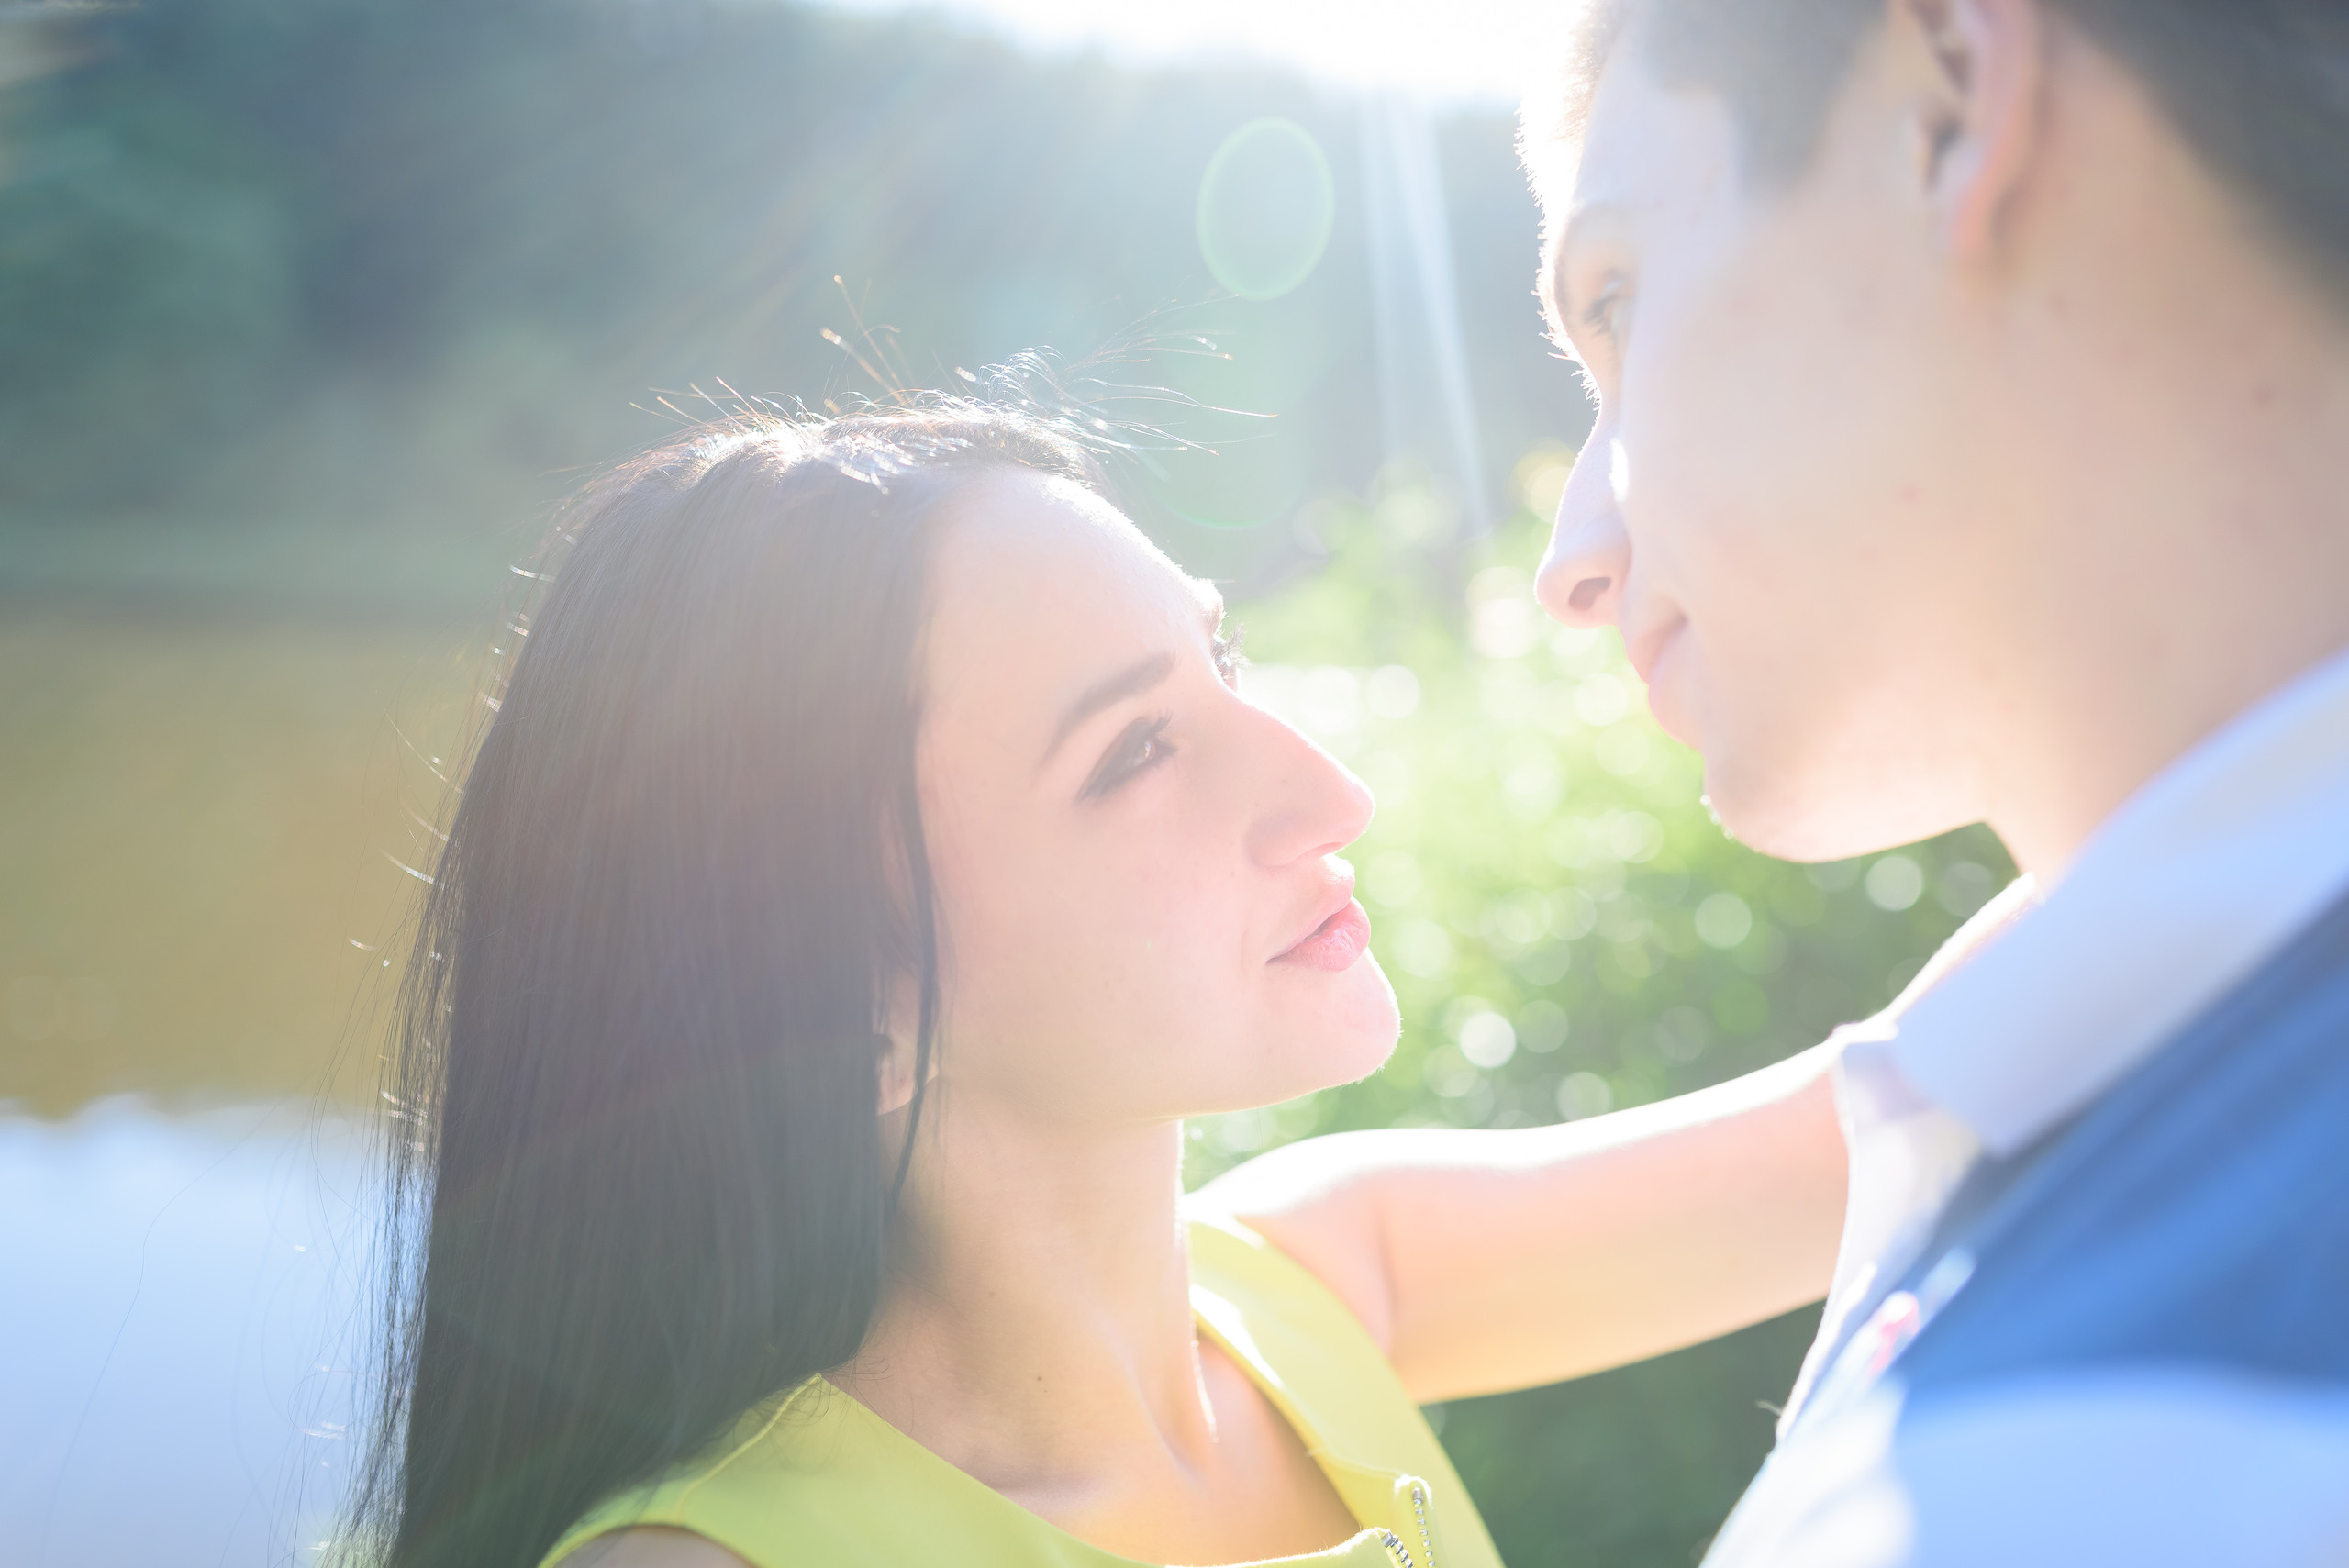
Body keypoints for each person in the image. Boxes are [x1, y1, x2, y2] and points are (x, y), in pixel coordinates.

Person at [345, 402, 1850, 1568]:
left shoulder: (1325, 1288)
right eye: (1134, 752)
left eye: (1224, 659)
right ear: (840, 1009)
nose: (1332, 791)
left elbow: (1972, 1079)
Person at [1507, 0, 2349, 1562]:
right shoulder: (2098, 1066)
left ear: (1952, 85)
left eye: (1616, 295)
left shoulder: (2082, 1468)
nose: (1573, 563)